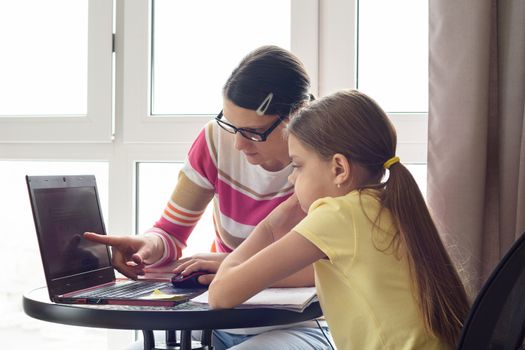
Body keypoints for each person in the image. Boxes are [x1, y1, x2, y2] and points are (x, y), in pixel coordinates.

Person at [84, 45, 332, 349]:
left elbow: (329, 269)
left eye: (253, 132)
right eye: (231, 126)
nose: (239, 144)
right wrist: (146, 247)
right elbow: (170, 233)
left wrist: (231, 266)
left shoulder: (329, 165)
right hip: (216, 319)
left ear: (297, 114)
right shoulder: (216, 141)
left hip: (303, 325)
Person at [206, 90, 471, 349]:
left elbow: (221, 294)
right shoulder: (385, 205)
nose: (291, 178)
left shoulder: (338, 215)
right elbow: (297, 274)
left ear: (339, 169)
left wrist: (271, 225)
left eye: (297, 165)